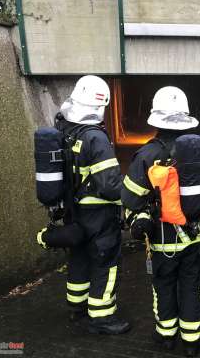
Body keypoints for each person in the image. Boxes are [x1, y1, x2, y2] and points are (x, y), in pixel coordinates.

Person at [121, 86, 200, 357]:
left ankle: (166, 337)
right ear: (186, 116)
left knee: (164, 286)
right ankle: (191, 341)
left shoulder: (147, 155)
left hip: (162, 240)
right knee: (191, 286)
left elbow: (130, 197)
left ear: (156, 119)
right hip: (194, 236)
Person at [56, 75, 130, 334]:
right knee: (104, 261)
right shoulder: (95, 138)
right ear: (101, 105)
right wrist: (131, 197)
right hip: (98, 214)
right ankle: (102, 318)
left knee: (79, 256)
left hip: (73, 210)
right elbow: (110, 186)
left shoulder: (64, 129)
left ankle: (77, 307)